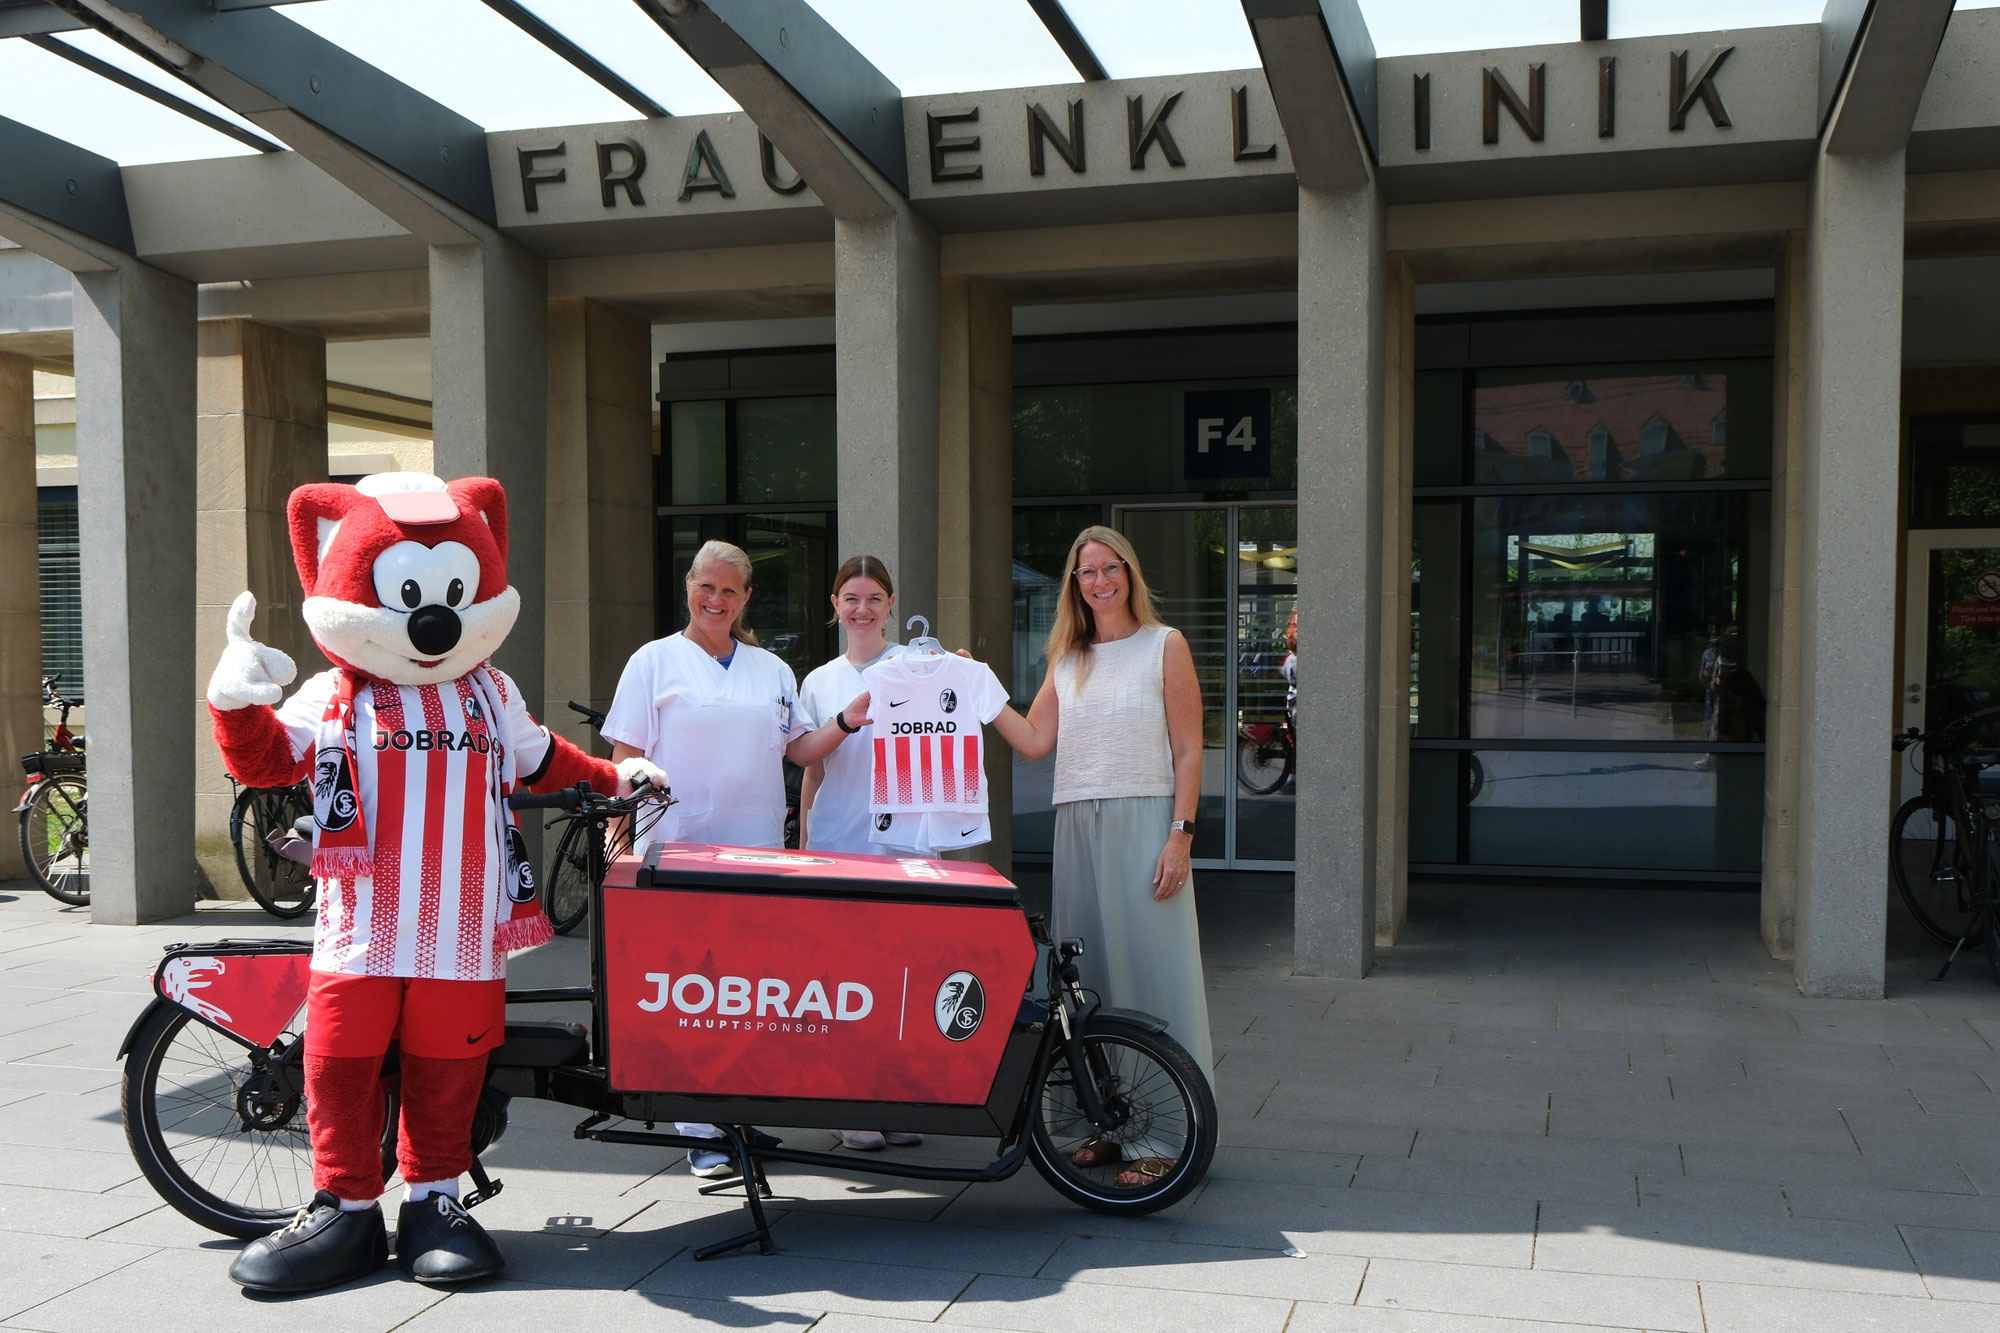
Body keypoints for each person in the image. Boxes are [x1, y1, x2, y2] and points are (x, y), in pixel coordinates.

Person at [996, 525, 1212, 1189]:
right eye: (1087, 571)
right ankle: (1108, 1122)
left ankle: (1169, 1136)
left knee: (1150, 971)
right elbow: (1033, 740)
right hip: (1076, 824)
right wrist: (976, 688)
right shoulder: (1068, 657)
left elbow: (1189, 749)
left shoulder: (1164, 644)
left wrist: (1181, 835)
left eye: (1111, 568)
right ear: (1075, 584)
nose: (1100, 581)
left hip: (1145, 820)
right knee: (1086, 982)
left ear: (1130, 572)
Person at [602, 539, 818, 1177]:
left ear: (746, 597)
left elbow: (803, 749)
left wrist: (854, 717)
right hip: (677, 851)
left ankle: (738, 1115)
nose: (716, 599)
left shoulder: (771, 669)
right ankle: (699, 1129)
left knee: (750, 988)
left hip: (755, 854)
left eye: (729, 590)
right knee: (689, 991)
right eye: (706, 586)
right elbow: (625, 763)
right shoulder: (653, 661)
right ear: (689, 586)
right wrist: (618, 852)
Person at [790, 554, 927, 1153]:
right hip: (839, 842)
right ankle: (845, 1102)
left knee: (898, 977)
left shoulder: (916, 668)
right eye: (851, 598)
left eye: (874, 598)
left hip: (904, 845)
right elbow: (812, 768)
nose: (862, 609)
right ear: (835, 606)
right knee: (842, 980)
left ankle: (889, 1098)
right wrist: (804, 844)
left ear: (891, 604)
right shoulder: (820, 681)